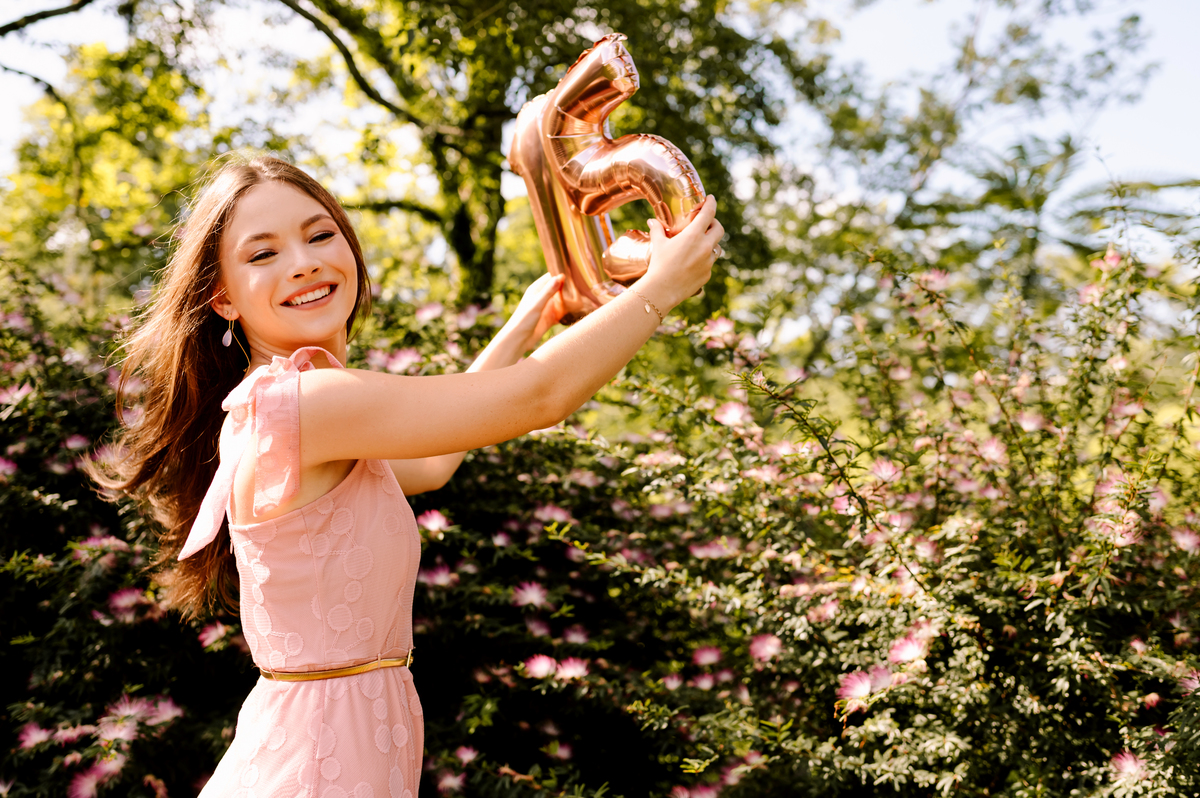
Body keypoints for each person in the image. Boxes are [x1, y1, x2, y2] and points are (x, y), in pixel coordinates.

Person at [89, 153, 723, 795]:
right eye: (263, 254)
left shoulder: (293, 402)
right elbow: (538, 399)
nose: (303, 262)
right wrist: (660, 289)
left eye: (319, 234)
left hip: (335, 746)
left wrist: (527, 318)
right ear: (221, 296)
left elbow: (430, 464)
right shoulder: (308, 404)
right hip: (316, 766)